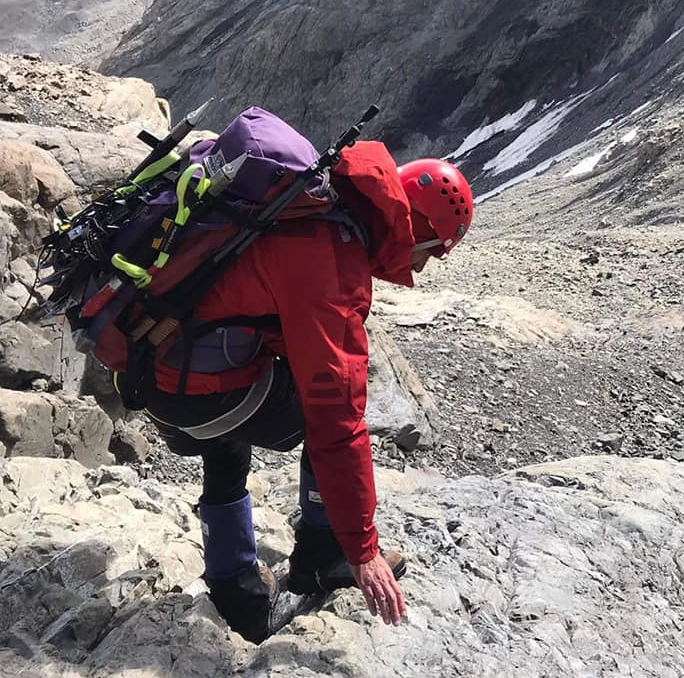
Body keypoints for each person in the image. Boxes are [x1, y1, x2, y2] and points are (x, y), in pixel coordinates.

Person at [133, 145, 474, 642]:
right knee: (328, 406)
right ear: (417, 228)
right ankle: (321, 555)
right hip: (198, 396)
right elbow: (338, 422)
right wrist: (363, 550)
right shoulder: (334, 259)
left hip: (154, 371)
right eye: (433, 251)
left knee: (251, 411)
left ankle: (235, 586)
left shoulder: (314, 202)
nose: (422, 268)